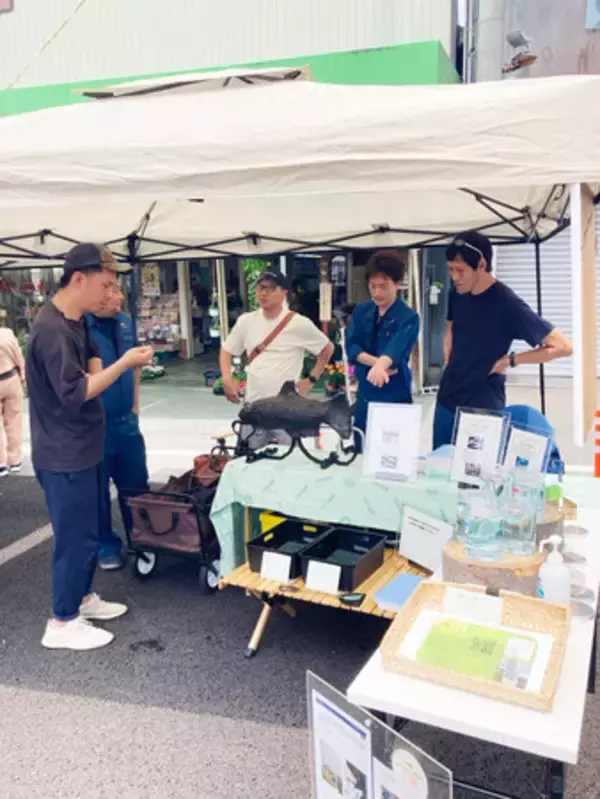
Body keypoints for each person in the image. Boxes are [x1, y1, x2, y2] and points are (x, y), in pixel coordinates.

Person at [26, 243, 154, 651]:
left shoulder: (76, 320)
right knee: (74, 536)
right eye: (106, 284)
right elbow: (78, 390)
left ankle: (81, 599)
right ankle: (61, 621)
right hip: (63, 452)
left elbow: (93, 363)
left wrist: (105, 370)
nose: (110, 293)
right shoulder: (51, 329)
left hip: (84, 444)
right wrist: (124, 365)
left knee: (84, 529)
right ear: (78, 278)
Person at [433, 231, 573, 450]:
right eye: (451, 270)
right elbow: (452, 324)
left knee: (474, 475)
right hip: (448, 397)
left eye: (460, 270)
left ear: (481, 264)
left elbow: (563, 347)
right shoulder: (456, 293)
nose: (454, 277)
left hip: (483, 403)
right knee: (438, 465)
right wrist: (448, 339)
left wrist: (511, 360)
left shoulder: (507, 304)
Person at [219, 269, 334, 446]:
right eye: (260, 287)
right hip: (254, 407)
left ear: (284, 293)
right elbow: (227, 350)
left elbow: (327, 348)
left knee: (287, 465)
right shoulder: (246, 321)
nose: (263, 293)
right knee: (249, 463)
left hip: (287, 411)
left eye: (270, 288)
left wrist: (310, 380)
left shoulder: (299, 324)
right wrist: (227, 378)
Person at [86, 282, 149, 571]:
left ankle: (142, 539)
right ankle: (106, 546)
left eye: (121, 290)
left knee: (136, 485)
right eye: (112, 291)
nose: (120, 297)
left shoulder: (125, 322)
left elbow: (134, 365)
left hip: (126, 421)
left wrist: (135, 406)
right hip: (96, 425)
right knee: (97, 491)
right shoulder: (80, 326)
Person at [346, 251, 420, 445]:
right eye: (373, 286)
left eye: (383, 286)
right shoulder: (362, 311)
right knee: (361, 447)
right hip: (365, 394)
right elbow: (352, 347)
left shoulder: (409, 317)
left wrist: (383, 363)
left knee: (393, 451)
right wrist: (378, 365)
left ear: (397, 283)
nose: (377, 292)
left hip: (395, 395)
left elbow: (396, 349)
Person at [0, 309, 25, 476]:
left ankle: (1, 464)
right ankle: (15, 460)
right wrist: (23, 375)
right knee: (14, 420)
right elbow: (19, 357)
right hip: (10, 379)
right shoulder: (7, 334)